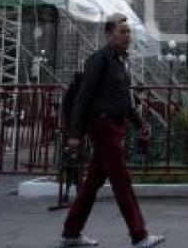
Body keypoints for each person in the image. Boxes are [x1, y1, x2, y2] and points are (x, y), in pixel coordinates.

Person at [59, 13, 165, 247]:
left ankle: (71, 233)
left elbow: (124, 101)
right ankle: (139, 235)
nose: (128, 36)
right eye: (123, 32)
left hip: (115, 125)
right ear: (109, 34)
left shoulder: (119, 62)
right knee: (121, 181)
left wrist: (140, 124)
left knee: (92, 184)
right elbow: (83, 98)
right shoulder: (99, 60)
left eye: (129, 32)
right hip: (103, 126)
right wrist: (74, 135)